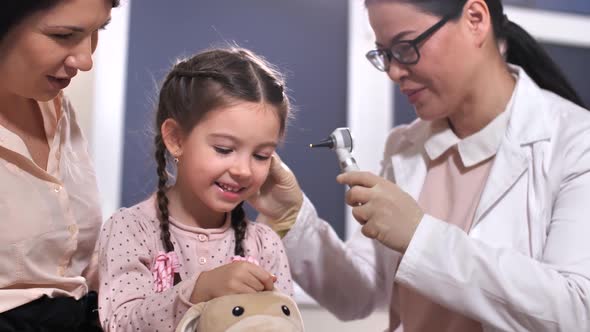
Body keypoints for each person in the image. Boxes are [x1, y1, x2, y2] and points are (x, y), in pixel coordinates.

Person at [248, 0, 590, 331]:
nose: (395, 71)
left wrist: (418, 236)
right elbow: (360, 295)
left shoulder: (575, 142)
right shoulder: (404, 147)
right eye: (384, 54)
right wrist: (292, 217)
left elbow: (577, 311)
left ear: (475, 19)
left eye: (406, 46)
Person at [97, 47, 294, 331]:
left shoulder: (264, 245)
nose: (243, 169)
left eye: (261, 155)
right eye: (224, 149)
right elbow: (120, 323)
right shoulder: (130, 230)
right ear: (176, 138)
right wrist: (198, 289)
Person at [0, 0, 119, 331]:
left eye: (99, 31)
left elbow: (70, 265)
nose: (86, 60)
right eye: (64, 35)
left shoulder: (55, 107)